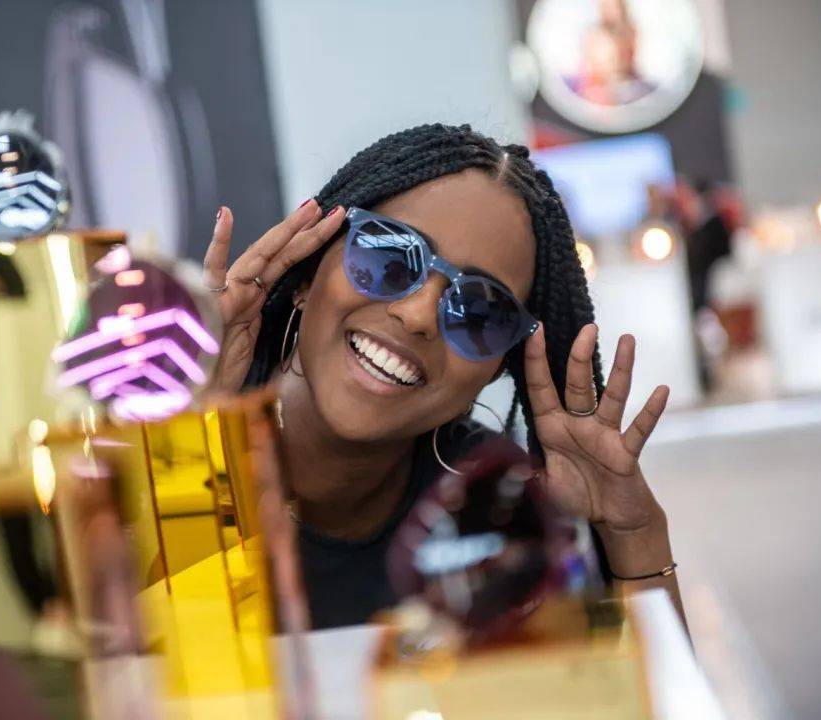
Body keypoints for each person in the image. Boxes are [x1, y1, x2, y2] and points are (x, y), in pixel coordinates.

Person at [203, 124, 681, 630]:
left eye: (479, 310)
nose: (418, 316)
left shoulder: (488, 513)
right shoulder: (185, 417)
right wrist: (185, 439)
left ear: (497, 367)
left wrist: (633, 534)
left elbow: (602, 682)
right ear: (307, 274)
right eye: (388, 256)